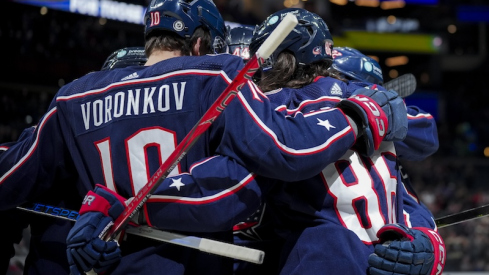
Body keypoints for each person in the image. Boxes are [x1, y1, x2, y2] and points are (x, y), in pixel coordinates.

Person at [0, 2, 407, 275]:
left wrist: (98, 206)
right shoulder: (217, 75)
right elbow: (283, 152)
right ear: (199, 42)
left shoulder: (75, 94)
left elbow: (11, 175)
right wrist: (358, 115)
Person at [246, 8, 445, 275]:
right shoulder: (372, 104)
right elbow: (427, 132)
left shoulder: (270, 107)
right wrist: (431, 243)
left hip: (319, 259)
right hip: (374, 258)